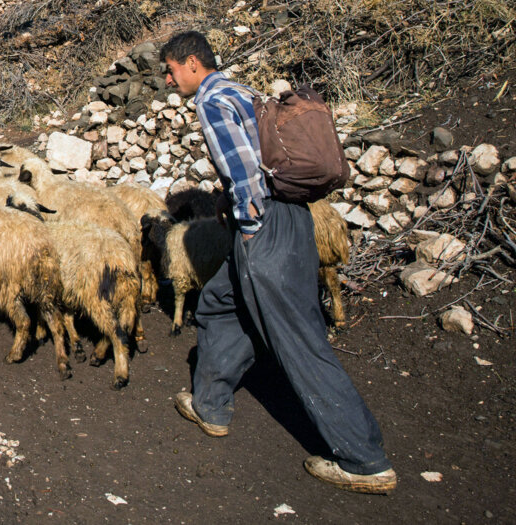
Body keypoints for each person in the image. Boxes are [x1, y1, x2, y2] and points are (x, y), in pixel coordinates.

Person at [159, 30, 396, 494]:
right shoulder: (244, 90)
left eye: (170, 69)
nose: (168, 80)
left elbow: (242, 170)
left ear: (191, 63)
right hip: (293, 219)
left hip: (264, 228)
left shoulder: (211, 99)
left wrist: (247, 226)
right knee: (220, 302)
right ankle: (210, 404)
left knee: (297, 339)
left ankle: (363, 460)